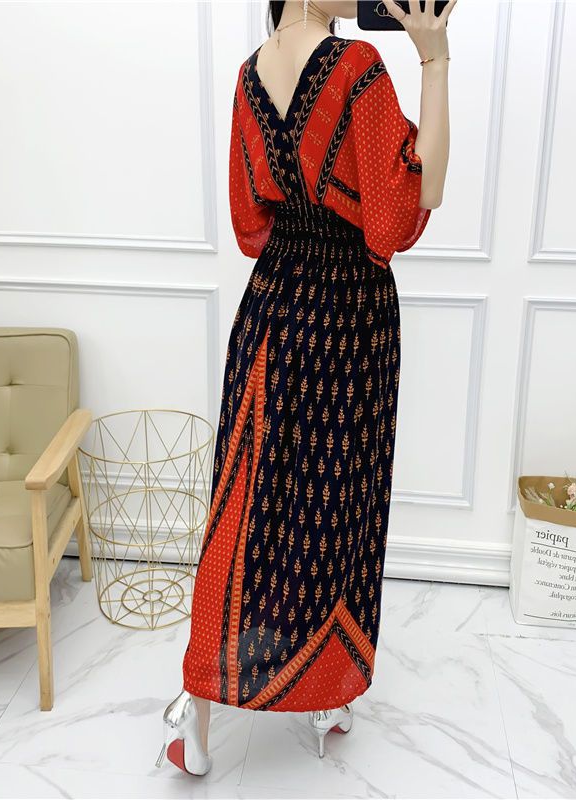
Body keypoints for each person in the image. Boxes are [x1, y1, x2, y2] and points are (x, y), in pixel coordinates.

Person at [156, 0, 454, 775]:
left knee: (244, 506)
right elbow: (405, 209)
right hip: (347, 313)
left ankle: (198, 708)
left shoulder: (248, 76)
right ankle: (325, 691)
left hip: (271, 305)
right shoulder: (358, 68)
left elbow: (249, 221)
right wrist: (434, 60)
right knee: (334, 505)